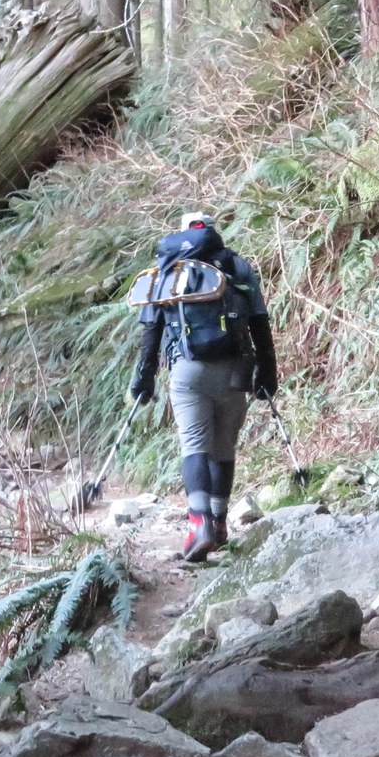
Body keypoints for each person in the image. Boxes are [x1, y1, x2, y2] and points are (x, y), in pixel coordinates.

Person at [128, 212, 279, 562]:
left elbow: (151, 331)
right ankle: (220, 522)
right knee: (223, 447)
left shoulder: (168, 270)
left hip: (188, 371)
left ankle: (200, 524)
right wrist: (267, 372)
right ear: (214, 232)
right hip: (234, 371)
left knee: (194, 445)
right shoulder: (237, 266)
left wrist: (144, 377)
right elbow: (259, 322)